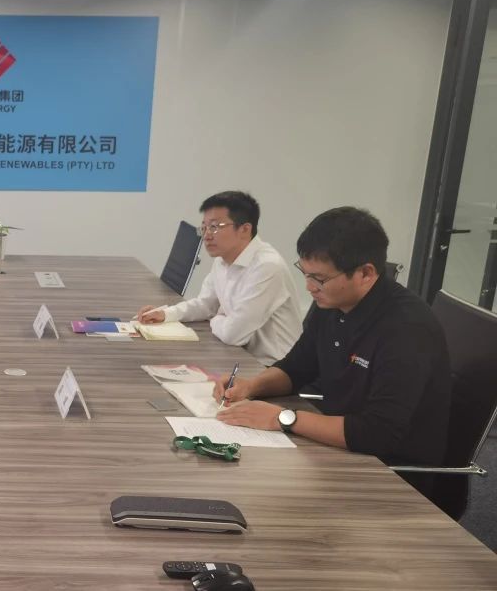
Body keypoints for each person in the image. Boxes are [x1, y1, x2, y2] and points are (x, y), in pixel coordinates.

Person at [214, 207, 451, 476]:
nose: (309, 287)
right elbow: (297, 368)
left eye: (319, 278)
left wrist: (281, 418)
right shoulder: (332, 303)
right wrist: (251, 386)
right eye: (305, 273)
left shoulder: (406, 329)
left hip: (391, 472)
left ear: (366, 273)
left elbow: (378, 433)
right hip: (339, 448)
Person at [135, 191, 303, 365]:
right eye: (204, 227)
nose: (207, 235)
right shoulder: (222, 260)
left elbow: (233, 335)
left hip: (273, 367)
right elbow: (206, 304)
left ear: (245, 229)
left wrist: (216, 318)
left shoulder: (267, 267)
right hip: (238, 356)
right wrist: (166, 313)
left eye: (215, 227)